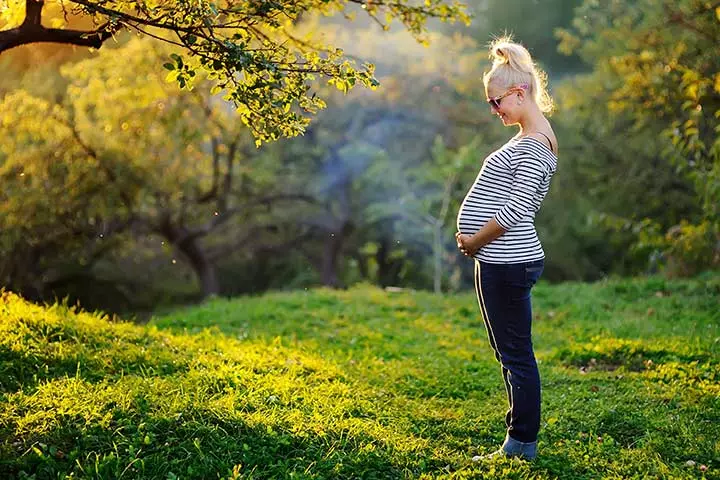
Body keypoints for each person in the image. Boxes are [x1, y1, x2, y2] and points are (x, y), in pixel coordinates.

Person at [455, 36, 558, 461]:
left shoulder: (534, 144)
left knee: (516, 355)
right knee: (508, 352)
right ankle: (519, 439)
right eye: (490, 103)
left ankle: (521, 444)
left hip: (507, 262)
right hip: (499, 261)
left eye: (496, 101)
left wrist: (473, 241)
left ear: (520, 92)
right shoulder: (530, 136)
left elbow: (516, 209)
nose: (494, 110)